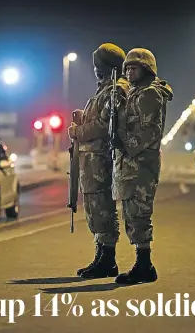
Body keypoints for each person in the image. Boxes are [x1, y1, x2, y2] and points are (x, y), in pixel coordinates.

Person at [67, 43, 130, 279]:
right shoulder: (106, 89)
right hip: (92, 160)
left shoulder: (116, 90)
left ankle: (108, 260)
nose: (95, 71)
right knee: (95, 208)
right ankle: (101, 255)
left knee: (103, 208)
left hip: (102, 160)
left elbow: (105, 127)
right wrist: (84, 119)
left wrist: (77, 131)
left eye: (97, 66)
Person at [112, 48, 173, 284]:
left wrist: (126, 144)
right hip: (130, 164)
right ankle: (142, 263)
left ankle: (145, 265)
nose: (128, 72)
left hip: (141, 164)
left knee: (139, 214)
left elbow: (150, 131)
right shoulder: (134, 92)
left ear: (146, 69)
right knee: (131, 213)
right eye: (126, 68)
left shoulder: (150, 94)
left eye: (133, 68)